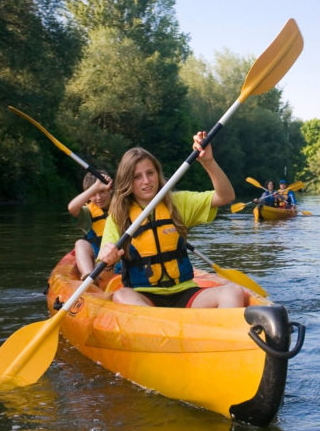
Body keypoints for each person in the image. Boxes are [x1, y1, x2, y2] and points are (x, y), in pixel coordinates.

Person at [96, 132, 247, 308]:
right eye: (137, 176)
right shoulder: (118, 217)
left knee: (233, 291)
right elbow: (103, 280)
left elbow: (226, 196)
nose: (146, 181)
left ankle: (222, 334)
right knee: (122, 295)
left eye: (150, 173)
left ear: (158, 174)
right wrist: (108, 262)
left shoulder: (178, 203)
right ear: (127, 181)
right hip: (144, 296)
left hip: (185, 293)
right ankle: (159, 328)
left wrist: (208, 162)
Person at [67, 170, 113, 280]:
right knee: (80, 243)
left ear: (110, 190)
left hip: (117, 259)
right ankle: (89, 276)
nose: (98, 198)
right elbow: (72, 208)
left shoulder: (121, 205)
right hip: (99, 261)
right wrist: (95, 187)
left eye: (102, 191)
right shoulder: (87, 213)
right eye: (93, 194)